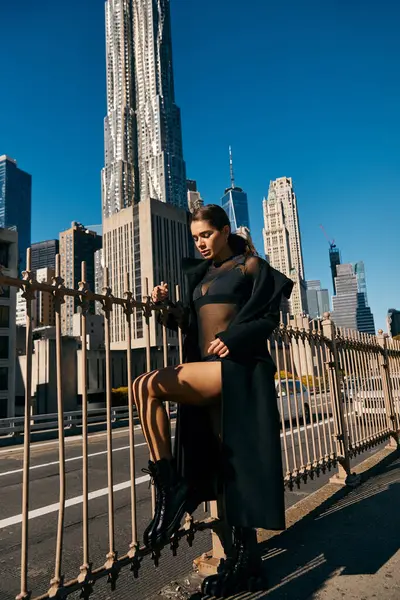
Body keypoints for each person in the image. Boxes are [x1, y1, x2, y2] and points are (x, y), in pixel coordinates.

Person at [132, 204, 293, 597]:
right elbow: (188, 324)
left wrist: (233, 338)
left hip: (237, 370)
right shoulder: (201, 278)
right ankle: (244, 563)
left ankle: (172, 488)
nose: (200, 243)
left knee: (146, 384)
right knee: (227, 464)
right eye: (195, 238)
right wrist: (165, 306)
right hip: (209, 372)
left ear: (223, 231)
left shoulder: (249, 266)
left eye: (206, 234)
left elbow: (269, 318)